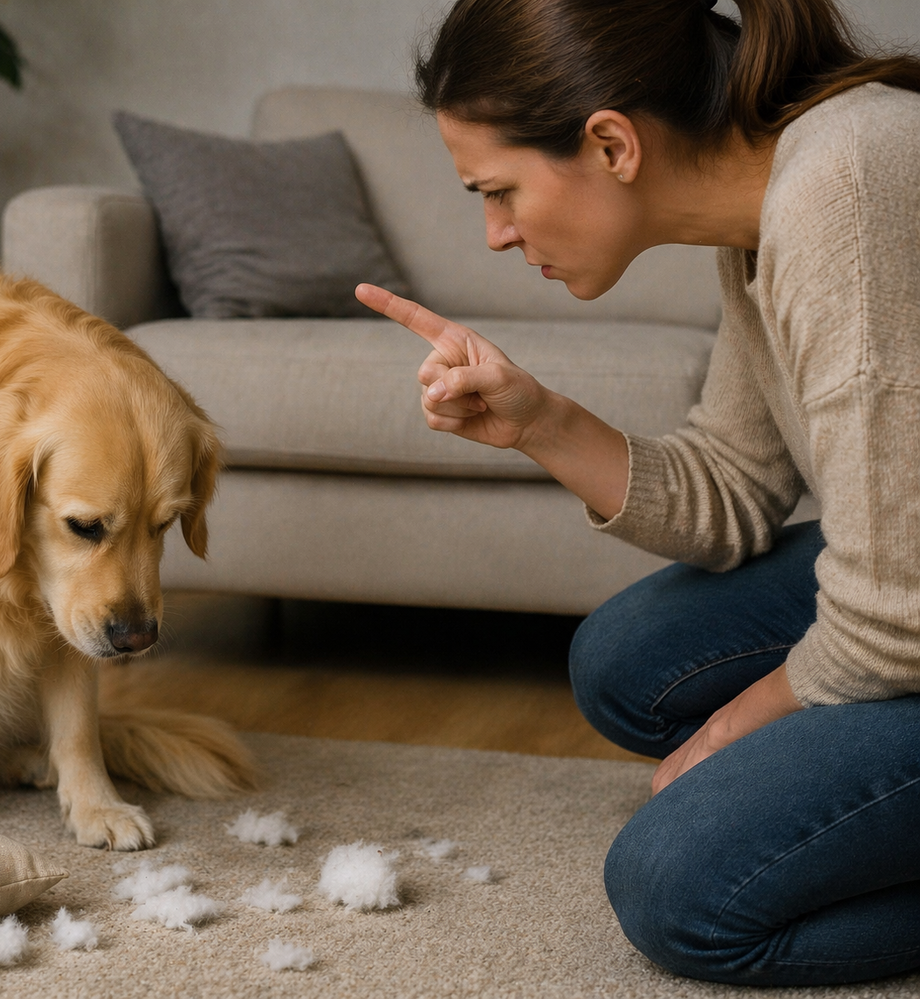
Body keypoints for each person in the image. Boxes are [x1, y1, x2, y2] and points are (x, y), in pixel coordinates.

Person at [355, 0, 920, 986]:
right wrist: (538, 422)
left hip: (907, 604)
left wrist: (745, 721)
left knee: (680, 890)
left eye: (499, 192)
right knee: (629, 661)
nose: (492, 234)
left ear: (611, 142)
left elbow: (894, 616)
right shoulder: (759, 210)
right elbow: (737, 490)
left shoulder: (844, 182)